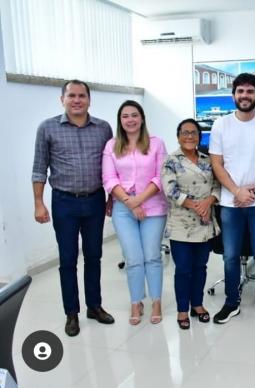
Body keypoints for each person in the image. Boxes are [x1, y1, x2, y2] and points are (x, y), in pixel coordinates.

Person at [32, 79, 115, 337]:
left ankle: (94, 306)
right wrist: (38, 203)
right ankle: (71, 313)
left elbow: (111, 167)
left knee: (94, 256)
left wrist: (111, 198)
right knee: (67, 259)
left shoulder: (103, 128)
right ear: (62, 99)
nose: (77, 100)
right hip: (64, 202)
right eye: (72, 96)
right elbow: (39, 168)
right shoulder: (47, 128)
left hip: (94, 200)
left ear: (89, 99)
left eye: (82, 96)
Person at [209, 73, 255, 326]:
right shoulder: (221, 124)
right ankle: (231, 303)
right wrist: (237, 191)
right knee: (230, 255)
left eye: (250, 92)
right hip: (230, 203)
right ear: (233, 95)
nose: (245, 96)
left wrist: (254, 191)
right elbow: (216, 164)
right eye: (240, 91)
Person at [102, 100, 168, 326]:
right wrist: (130, 203)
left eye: (134, 115)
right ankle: (136, 301)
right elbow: (109, 179)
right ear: (120, 121)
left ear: (142, 119)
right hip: (123, 209)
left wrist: (138, 200)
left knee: (152, 256)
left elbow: (160, 177)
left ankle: (156, 301)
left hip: (153, 207)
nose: (130, 120)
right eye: (125, 116)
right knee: (133, 258)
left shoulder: (156, 144)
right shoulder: (112, 146)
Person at [161, 119, 220, 330]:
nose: (189, 136)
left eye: (193, 133)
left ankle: (197, 304)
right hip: (181, 224)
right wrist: (196, 205)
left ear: (199, 136)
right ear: (178, 136)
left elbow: (216, 185)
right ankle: (182, 310)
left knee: (200, 267)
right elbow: (170, 190)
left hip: (205, 223)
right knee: (184, 269)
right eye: (185, 133)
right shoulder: (171, 160)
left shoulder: (206, 160)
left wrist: (208, 202)